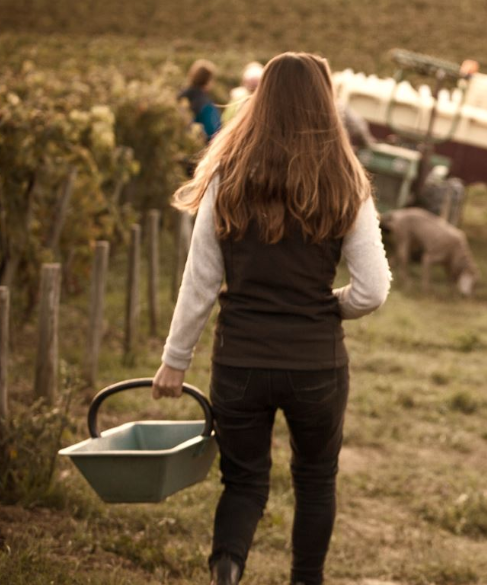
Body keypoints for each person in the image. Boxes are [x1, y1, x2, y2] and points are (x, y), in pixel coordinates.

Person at [152, 52, 391, 585]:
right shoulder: (346, 181)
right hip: (316, 365)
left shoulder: (228, 175)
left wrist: (175, 360)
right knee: (316, 481)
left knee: (243, 483)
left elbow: (200, 280)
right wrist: (329, 307)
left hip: (239, 362)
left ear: (261, 100)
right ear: (324, 102)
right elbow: (374, 290)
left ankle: (227, 571)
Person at [180, 59, 223, 143]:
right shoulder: (206, 105)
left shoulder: (181, 97)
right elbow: (214, 132)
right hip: (200, 147)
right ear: (207, 80)